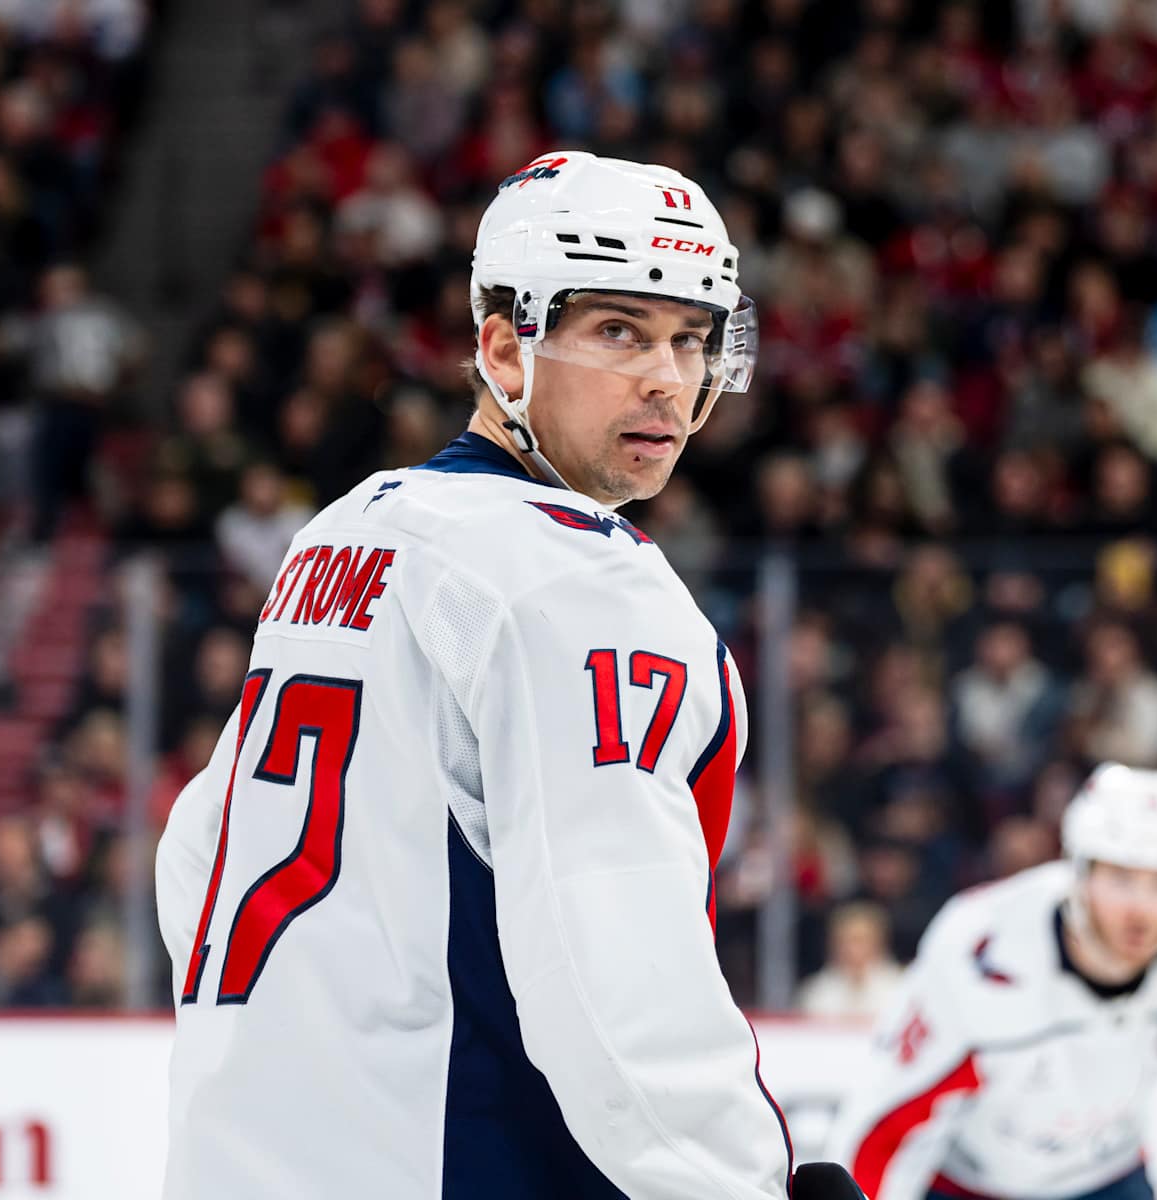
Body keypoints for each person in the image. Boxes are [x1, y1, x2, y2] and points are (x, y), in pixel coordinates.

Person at [155, 152, 862, 1199]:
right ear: (503, 347)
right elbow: (613, 966)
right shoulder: (579, 582)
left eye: (690, 338)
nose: (667, 378)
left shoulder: (344, 532)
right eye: (619, 330)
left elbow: (199, 857)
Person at [824, 764, 1157, 1200]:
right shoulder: (983, 957)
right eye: (1122, 877)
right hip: (965, 1186)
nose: (1141, 909)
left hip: (1108, 1177)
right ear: (1080, 871)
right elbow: (886, 1133)